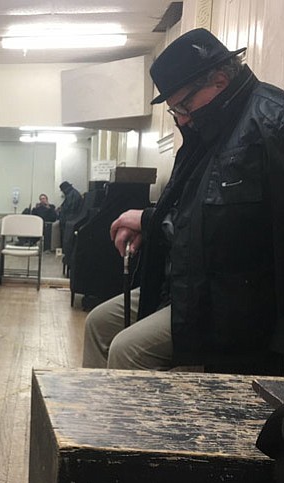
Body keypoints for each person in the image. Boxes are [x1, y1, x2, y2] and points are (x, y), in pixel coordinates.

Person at [83, 28, 284, 374]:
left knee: (128, 350)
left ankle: (130, 429)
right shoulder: (209, 129)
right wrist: (149, 221)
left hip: (234, 304)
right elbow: (196, 209)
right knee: (98, 323)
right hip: (190, 285)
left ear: (219, 81)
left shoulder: (273, 123)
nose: (181, 119)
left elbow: (234, 227)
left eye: (183, 105)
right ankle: (92, 424)